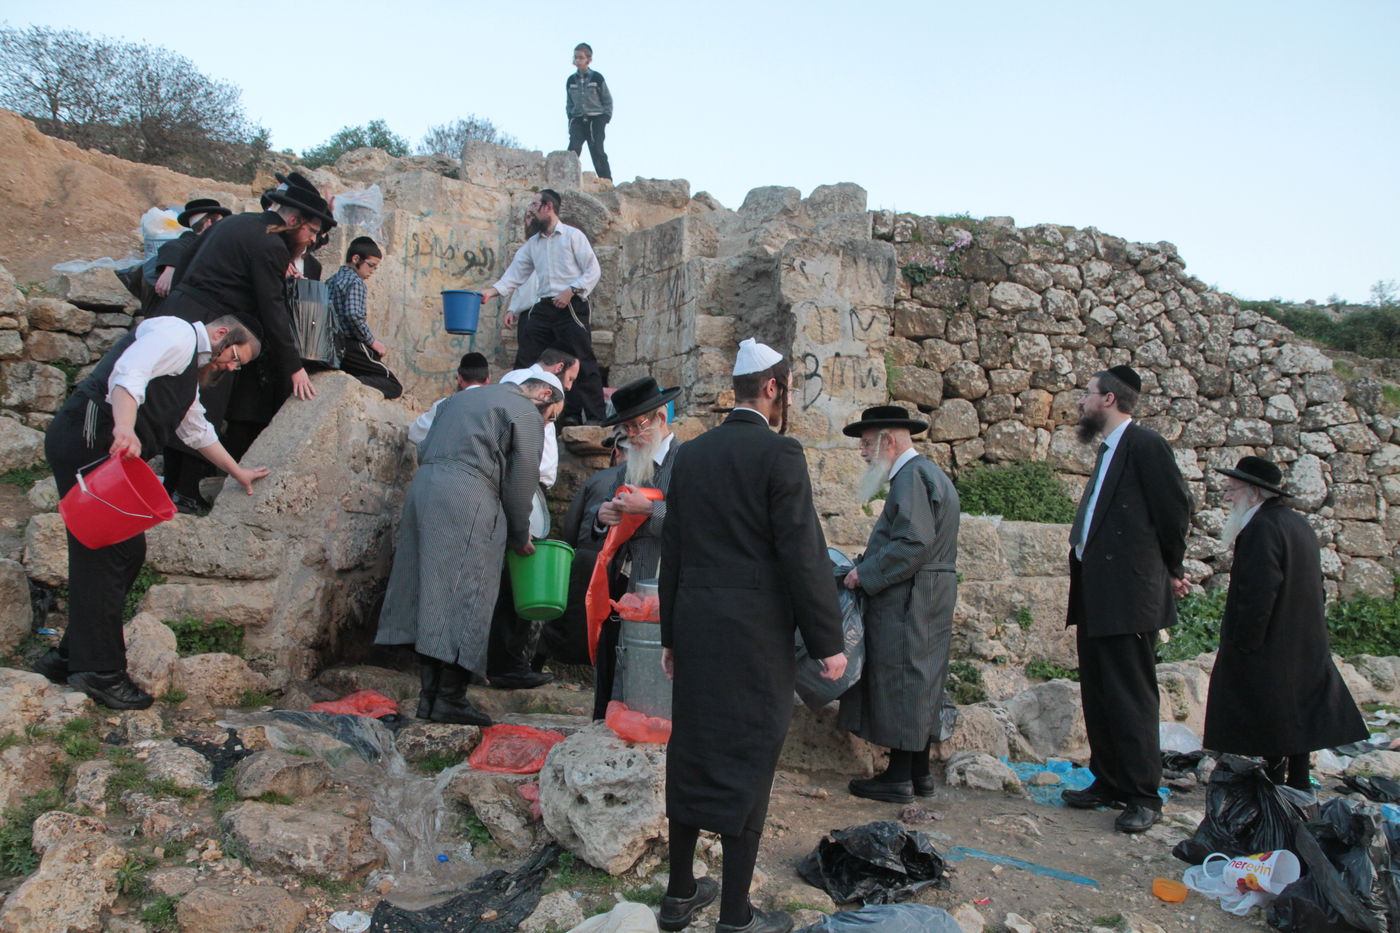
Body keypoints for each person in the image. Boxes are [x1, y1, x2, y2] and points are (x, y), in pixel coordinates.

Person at [657, 339, 847, 933]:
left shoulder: (692, 454)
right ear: (772, 388)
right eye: (786, 390)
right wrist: (828, 642)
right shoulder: (780, 453)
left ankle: (679, 893)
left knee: (692, 750)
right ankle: (736, 915)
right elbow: (803, 554)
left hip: (696, 627)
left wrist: (669, 637)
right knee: (749, 755)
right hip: (755, 636)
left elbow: (674, 550)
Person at [32, 314, 270, 709]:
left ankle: (71, 654)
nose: (231, 368)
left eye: (238, 366)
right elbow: (129, 373)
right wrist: (125, 428)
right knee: (108, 551)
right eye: (234, 358)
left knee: (126, 553)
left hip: (103, 448)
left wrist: (237, 471)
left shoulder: (188, 371)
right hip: (89, 438)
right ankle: (98, 671)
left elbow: (196, 429)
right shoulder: (176, 335)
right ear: (221, 334)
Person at [374, 373, 562, 726]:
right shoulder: (525, 411)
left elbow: (423, 447)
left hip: (424, 490)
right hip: (469, 496)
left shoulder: (459, 399)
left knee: (430, 594)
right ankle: (450, 698)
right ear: (545, 393)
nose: (546, 421)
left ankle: (429, 697)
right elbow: (523, 478)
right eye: (551, 416)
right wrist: (520, 533)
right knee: (467, 593)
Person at [1061, 365, 1192, 834]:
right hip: (1098, 593)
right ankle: (1109, 780)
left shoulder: (1145, 444)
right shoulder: (1110, 450)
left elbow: (1175, 510)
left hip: (1130, 595)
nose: (1082, 401)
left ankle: (1142, 795)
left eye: (1088, 393)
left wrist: (1171, 568)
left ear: (1109, 399)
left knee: (1131, 696)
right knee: (1099, 692)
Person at [155, 174, 333, 510]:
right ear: (293, 220)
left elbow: (188, 260)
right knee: (205, 403)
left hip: (180, 313)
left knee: (178, 398)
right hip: (214, 324)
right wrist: (293, 366)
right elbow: (272, 308)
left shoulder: (236, 223)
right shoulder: (270, 245)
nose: (311, 239)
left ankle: (171, 489)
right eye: (311, 230)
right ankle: (187, 492)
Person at [1203, 456, 1367, 790]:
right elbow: (1318, 586)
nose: (1227, 497)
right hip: (1303, 636)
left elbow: (1259, 591)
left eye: (1233, 489)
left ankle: (1276, 784)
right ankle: (1299, 783)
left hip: (1271, 641)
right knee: (1296, 713)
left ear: (1254, 493)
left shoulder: (1261, 528)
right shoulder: (1297, 523)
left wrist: (1245, 642)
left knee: (1272, 713)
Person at [838, 405, 960, 804]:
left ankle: (898, 778)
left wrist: (866, 574)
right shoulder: (927, 473)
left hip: (911, 597)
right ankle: (919, 773)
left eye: (866, 444)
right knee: (921, 680)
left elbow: (913, 542)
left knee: (903, 679)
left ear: (888, 440)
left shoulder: (910, 478)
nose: (862, 453)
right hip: (928, 593)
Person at [579, 376, 681, 719]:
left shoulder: (686, 460)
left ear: (660, 418)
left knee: (649, 673)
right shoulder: (629, 467)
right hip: (621, 586)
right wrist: (602, 517)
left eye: (639, 426)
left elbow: (698, 522)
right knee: (616, 661)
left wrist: (650, 509)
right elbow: (602, 517)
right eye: (627, 428)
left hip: (661, 584)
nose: (633, 436)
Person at [477, 189, 605, 425]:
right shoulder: (532, 245)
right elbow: (515, 275)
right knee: (528, 358)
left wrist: (571, 290)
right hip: (545, 306)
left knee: (581, 359)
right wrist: (491, 292)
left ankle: (596, 418)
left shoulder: (572, 236)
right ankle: (515, 411)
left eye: (535, 205)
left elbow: (593, 270)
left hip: (571, 305)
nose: (531, 210)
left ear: (548, 207)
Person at [325, 236, 403, 399]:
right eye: (371, 266)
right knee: (393, 385)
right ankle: (350, 383)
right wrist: (372, 342)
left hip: (331, 344)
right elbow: (353, 315)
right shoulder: (356, 282)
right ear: (356, 259)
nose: (372, 272)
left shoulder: (331, 280)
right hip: (350, 345)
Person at [148, 198, 232, 310]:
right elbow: (174, 246)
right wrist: (170, 268)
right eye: (220, 222)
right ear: (208, 223)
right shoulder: (191, 242)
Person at [407, 352, 491, 449]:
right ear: (488, 379)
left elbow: (414, 434)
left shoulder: (444, 405)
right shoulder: (500, 407)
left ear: (459, 378)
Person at [566, 42, 613, 181]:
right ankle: (567, 179)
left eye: (581, 57)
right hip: (578, 119)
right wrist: (571, 117)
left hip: (596, 118)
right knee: (573, 150)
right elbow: (569, 102)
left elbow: (607, 99)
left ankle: (606, 181)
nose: (578, 60)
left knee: (597, 150)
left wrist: (605, 117)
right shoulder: (571, 80)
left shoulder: (597, 78)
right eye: (576, 57)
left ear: (589, 59)